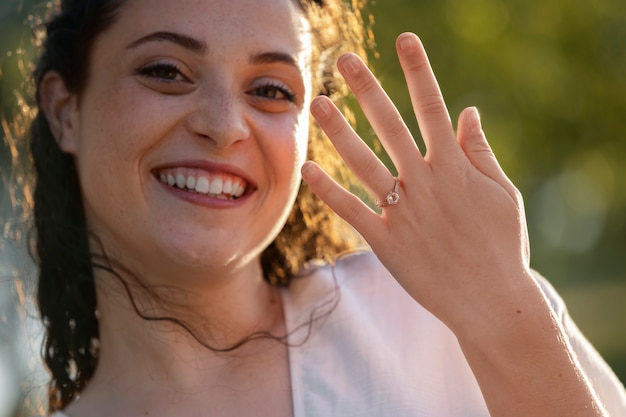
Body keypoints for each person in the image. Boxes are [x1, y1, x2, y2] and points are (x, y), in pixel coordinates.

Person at [16, 0, 626, 415]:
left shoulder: (447, 317)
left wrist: (505, 315)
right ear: (66, 109)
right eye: (165, 72)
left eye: (272, 90)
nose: (225, 126)